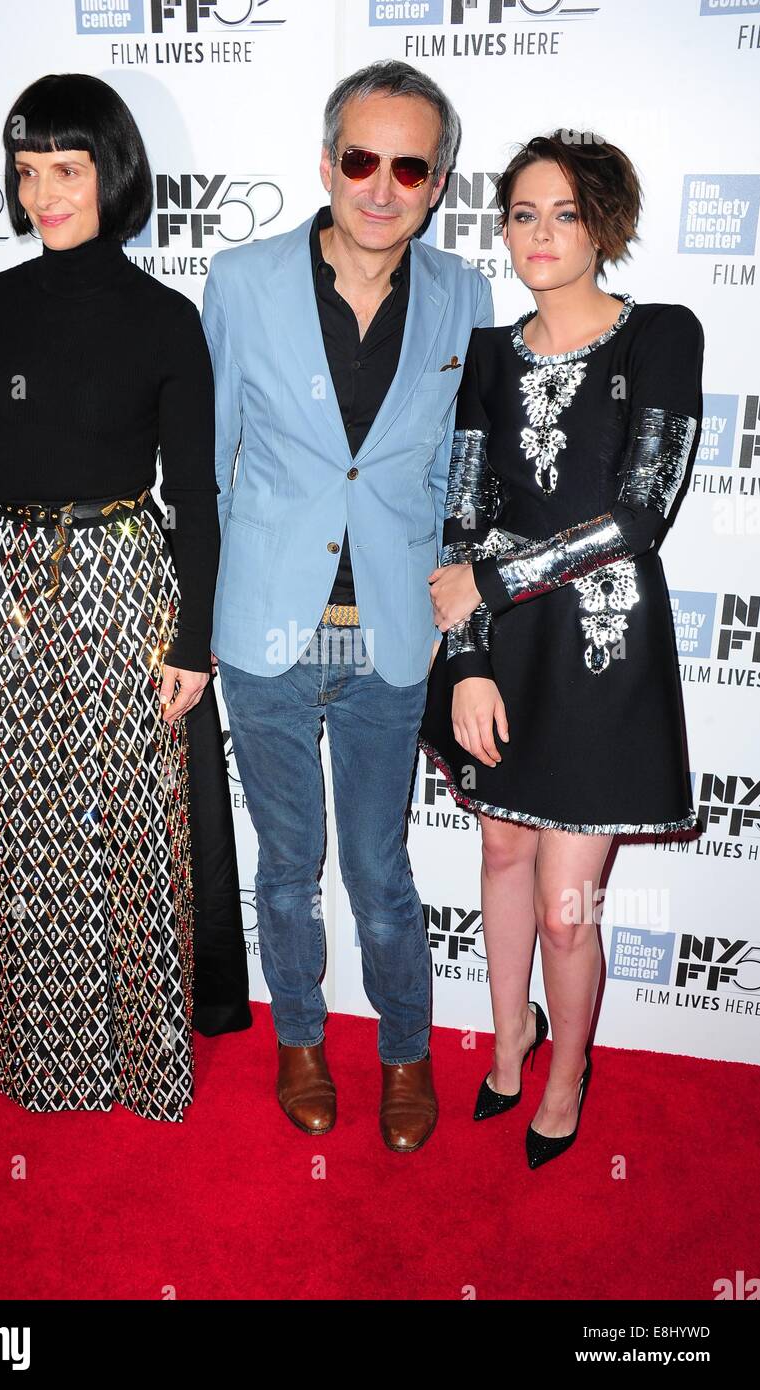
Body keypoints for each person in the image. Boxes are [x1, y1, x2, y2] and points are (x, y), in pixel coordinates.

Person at [202, 60, 493, 1152]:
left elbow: (453, 478)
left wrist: (460, 634)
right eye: (360, 159)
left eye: (408, 165)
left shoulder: (465, 296)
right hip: (266, 630)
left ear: (437, 182)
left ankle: (406, 1050)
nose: (381, 184)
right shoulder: (240, 281)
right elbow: (211, 460)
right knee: (285, 863)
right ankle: (300, 1038)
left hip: (391, 634)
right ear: (325, 163)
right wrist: (203, 619)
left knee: (378, 863)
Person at [0, 72, 249, 1123]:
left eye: (67, 170)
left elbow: (198, 500)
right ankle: (38, 1055)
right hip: (8, 583)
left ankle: (136, 1057)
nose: (44, 194)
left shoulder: (165, 321)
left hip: (125, 579)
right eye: (28, 172)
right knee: (17, 826)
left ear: (110, 172)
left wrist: (194, 641)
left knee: (127, 831)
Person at [420, 130, 703, 1168]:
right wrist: (467, 658)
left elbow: (637, 516)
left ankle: (570, 1070)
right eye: (522, 213)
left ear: (603, 226)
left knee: (565, 906)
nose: (539, 234)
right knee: (498, 848)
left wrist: (484, 586)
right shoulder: (486, 356)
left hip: (603, 643)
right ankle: (509, 1044)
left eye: (564, 213)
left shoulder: (658, 335)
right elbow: (460, 516)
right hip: (502, 647)